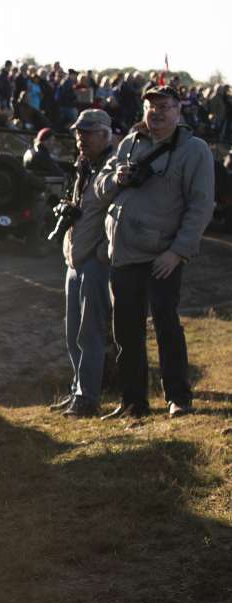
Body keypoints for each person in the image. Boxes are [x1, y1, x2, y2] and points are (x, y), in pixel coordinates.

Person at [93, 85, 215, 419]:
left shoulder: (194, 150)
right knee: (126, 332)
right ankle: (132, 402)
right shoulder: (130, 143)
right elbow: (101, 187)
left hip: (162, 255)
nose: (157, 113)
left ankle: (178, 397)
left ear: (179, 111)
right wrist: (116, 178)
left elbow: (201, 206)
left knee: (166, 326)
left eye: (164, 107)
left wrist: (177, 252)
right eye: (151, 107)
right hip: (123, 252)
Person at [49, 109, 116, 418]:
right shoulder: (84, 166)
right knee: (73, 331)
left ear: (106, 134)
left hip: (95, 260)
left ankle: (88, 397)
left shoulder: (115, 168)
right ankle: (79, 389)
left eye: (88, 132)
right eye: (79, 132)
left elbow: (119, 213)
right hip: (75, 256)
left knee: (90, 333)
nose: (81, 137)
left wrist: (104, 252)